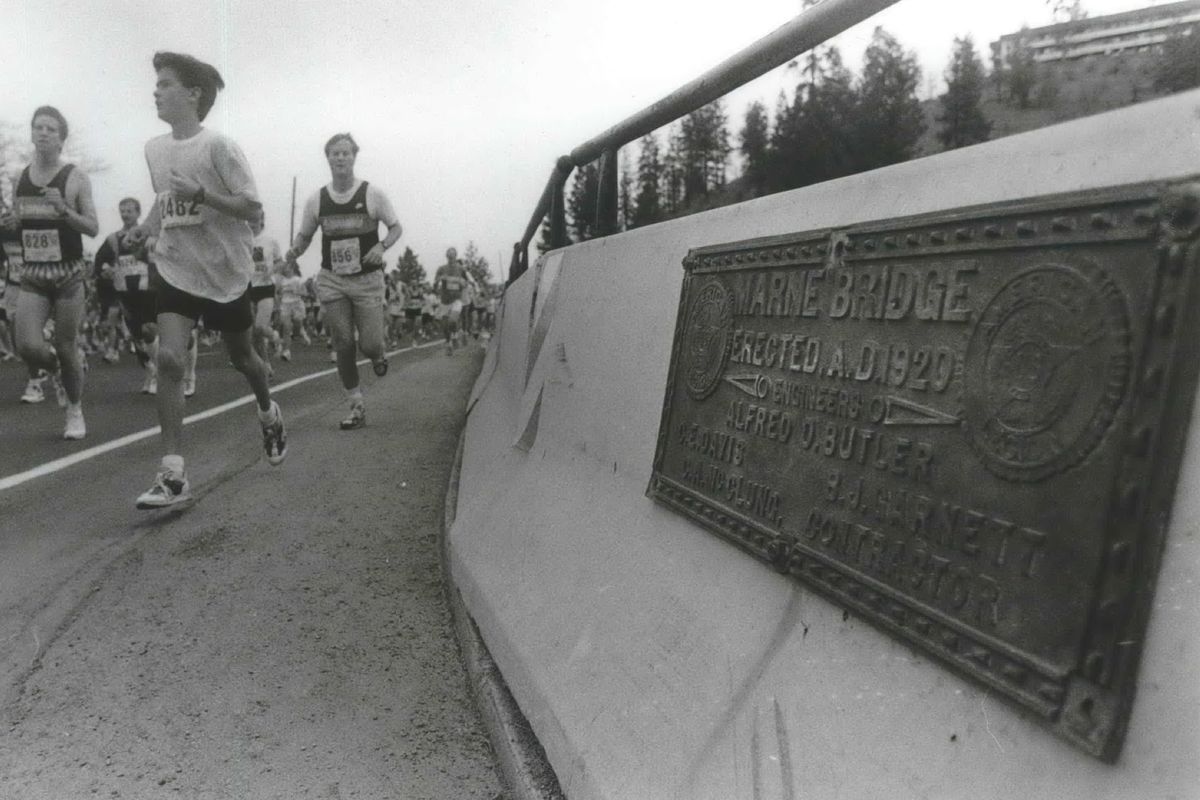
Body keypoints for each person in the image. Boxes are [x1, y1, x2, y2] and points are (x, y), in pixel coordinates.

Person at [127, 51, 286, 509]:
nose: (155, 91)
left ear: (193, 94)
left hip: (224, 271)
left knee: (244, 358)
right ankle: (172, 473)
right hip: (176, 267)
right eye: (156, 84)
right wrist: (149, 225)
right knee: (171, 359)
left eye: (165, 84)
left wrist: (201, 194)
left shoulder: (219, 147)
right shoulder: (154, 148)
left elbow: (252, 209)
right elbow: (164, 197)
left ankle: (267, 410)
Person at [285, 132, 402, 430]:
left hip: (366, 281)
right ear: (328, 159)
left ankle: (378, 353)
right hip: (333, 280)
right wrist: (294, 251)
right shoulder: (317, 200)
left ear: (354, 157)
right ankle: (356, 405)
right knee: (343, 342)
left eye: (345, 153)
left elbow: (395, 228)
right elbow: (306, 235)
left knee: (371, 344)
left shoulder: (372, 194)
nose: (340, 158)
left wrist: (381, 247)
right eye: (334, 154)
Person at [1, 106, 99, 439]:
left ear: (61, 138)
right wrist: (14, 224)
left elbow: (92, 227)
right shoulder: (21, 178)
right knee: (26, 345)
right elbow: (21, 220)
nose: (43, 133)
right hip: (33, 273)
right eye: (38, 127)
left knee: (66, 343)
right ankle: (58, 369)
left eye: (51, 129)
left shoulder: (74, 177)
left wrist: (64, 210)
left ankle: (74, 411)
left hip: (68, 274)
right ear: (31, 133)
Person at [249, 211, 283, 376]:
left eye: (254, 219)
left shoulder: (270, 240)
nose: (251, 223)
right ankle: (266, 365)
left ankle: (274, 335)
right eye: (248, 219)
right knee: (254, 333)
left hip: (265, 287)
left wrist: (273, 269)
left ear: (262, 220)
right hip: (247, 287)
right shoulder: (242, 238)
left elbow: (280, 262)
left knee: (261, 327)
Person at [433, 247, 468, 355]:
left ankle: (455, 335)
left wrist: (462, 283)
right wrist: (438, 280)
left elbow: (466, 282)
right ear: (447, 256)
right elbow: (434, 285)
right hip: (444, 301)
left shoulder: (461, 269)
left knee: (452, 320)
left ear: (456, 256)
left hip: (456, 300)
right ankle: (448, 343)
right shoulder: (441, 269)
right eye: (449, 256)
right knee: (444, 325)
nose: (451, 258)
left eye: (453, 256)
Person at [275, 260, 309, 360]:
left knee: (297, 324)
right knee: (286, 327)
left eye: (287, 267)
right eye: (284, 267)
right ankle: (286, 351)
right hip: (285, 305)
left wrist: (297, 291)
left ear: (292, 268)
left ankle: (302, 332)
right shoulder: (281, 281)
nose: (285, 269)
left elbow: (305, 293)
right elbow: (277, 292)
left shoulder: (298, 280)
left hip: (297, 304)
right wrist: (279, 295)